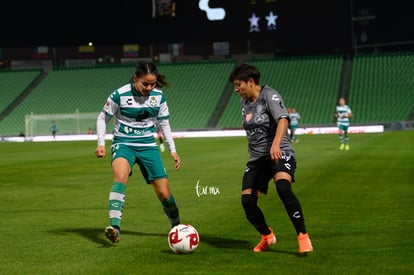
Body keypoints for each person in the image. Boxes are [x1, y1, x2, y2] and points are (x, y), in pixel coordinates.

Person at [228, 63, 313, 254]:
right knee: (248, 202)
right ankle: (267, 236)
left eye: (238, 84)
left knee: (283, 187)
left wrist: (275, 144)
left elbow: (283, 119)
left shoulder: (269, 95)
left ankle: (303, 236)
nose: (236, 89)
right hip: (257, 159)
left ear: (250, 82)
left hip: (279, 151)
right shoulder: (244, 103)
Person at [95, 61, 181, 244]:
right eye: (145, 84)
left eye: (153, 84)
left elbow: (164, 123)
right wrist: (101, 143)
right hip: (123, 143)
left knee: (164, 194)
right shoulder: (119, 94)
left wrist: (172, 150)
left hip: (148, 145)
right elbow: (102, 116)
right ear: (136, 78)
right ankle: (114, 227)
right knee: (120, 176)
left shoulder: (159, 97)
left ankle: (177, 227)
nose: (149, 88)